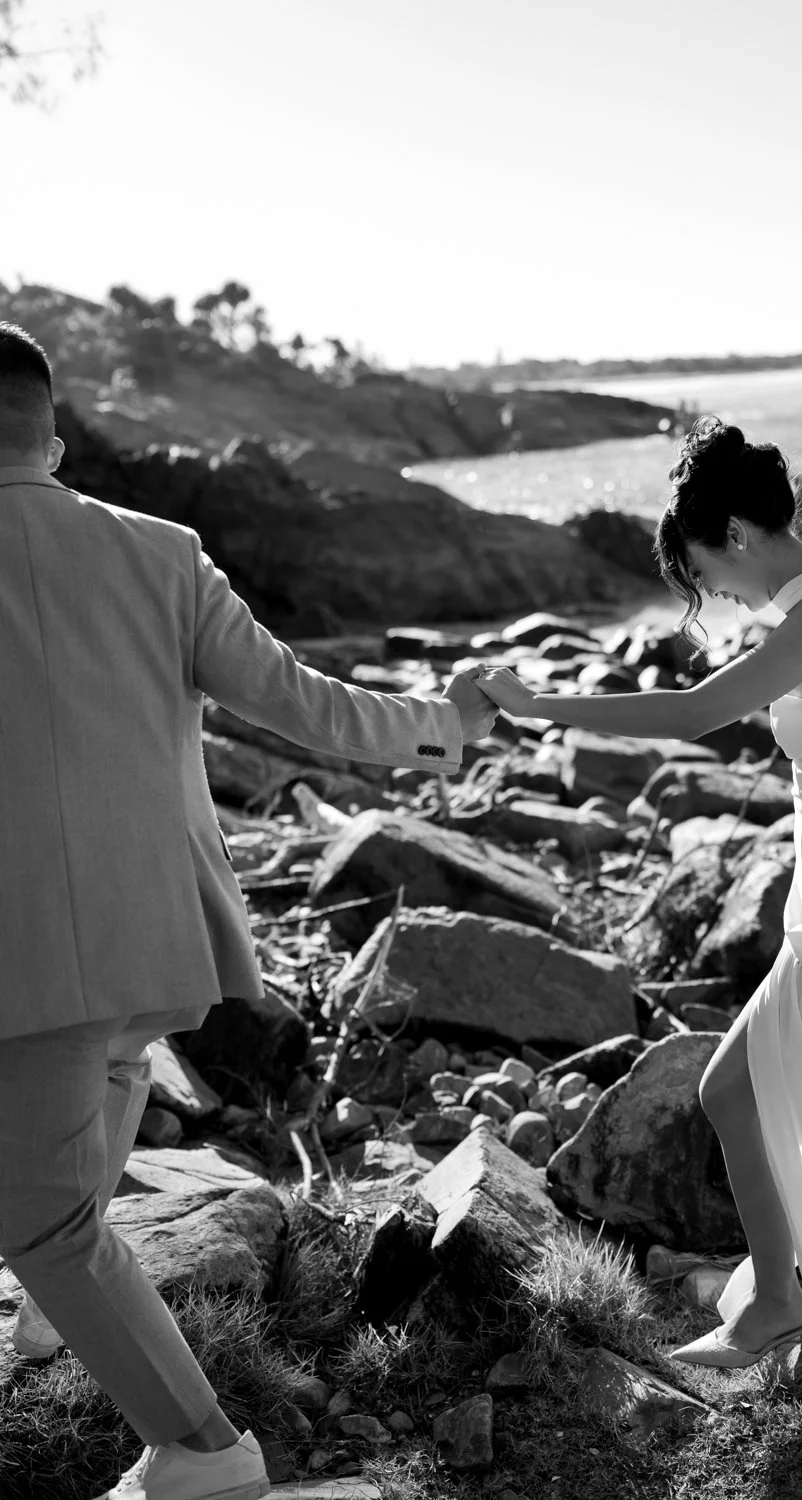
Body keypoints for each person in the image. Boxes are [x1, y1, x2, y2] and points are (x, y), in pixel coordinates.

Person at [0, 320, 497, 1500]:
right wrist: (447, 720)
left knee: (46, 1222)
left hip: (30, 952)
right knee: (104, 1090)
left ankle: (201, 1450)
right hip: (157, 935)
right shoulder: (164, 552)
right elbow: (304, 702)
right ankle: (58, 1317)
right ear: (54, 442)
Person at [474, 414, 802, 1421]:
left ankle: (781, 1305)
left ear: (738, 533)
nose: (715, 590)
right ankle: (779, 1300)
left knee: (734, 1091)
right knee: (738, 1093)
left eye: (707, 568)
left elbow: (692, 713)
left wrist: (541, 707)